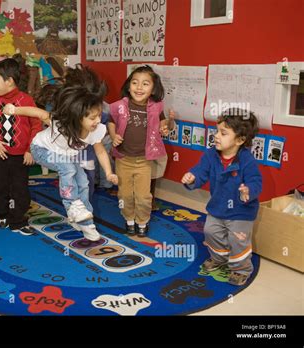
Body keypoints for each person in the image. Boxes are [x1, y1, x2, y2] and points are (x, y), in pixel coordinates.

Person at [3, 75, 118, 242]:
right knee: (68, 168)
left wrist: (108, 173)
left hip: (65, 156)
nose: (97, 121)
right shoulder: (62, 124)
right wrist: (14, 110)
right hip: (41, 150)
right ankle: (72, 206)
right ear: (79, 117)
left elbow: (101, 152)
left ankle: (85, 222)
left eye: (99, 116)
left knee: (84, 183)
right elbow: (39, 113)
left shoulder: (95, 131)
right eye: (92, 118)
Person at [182, 108, 261, 286]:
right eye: (217, 130)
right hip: (217, 207)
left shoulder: (247, 160)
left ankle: (241, 269)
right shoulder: (210, 155)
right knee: (211, 232)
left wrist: (248, 191)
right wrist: (192, 177)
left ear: (240, 140)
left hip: (242, 211)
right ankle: (219, 258)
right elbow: (200, 171)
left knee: (237, 240)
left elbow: (256, 181)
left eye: (223, 133)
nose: (216, 136)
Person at [108, 65, 174, 237]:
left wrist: (167, 126)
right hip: (123, 159)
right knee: (124, 194)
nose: (139, 87)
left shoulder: (155, 108)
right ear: (128, 86)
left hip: (144, 160)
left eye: (145, 84)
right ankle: (129, 220)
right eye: (135, 83)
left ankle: (142, 222)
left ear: (153, 88)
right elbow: (111, 121)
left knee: (144, 196)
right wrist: (114, 135)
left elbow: (163, 125)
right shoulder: (120, 106)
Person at [0, 58, 43, 236]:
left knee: (19, 189)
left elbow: (36, 126)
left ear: (9, 81)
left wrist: (30, 149)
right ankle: (3, 214)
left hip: (20, 156)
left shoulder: (27, 100)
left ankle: (18, 219)